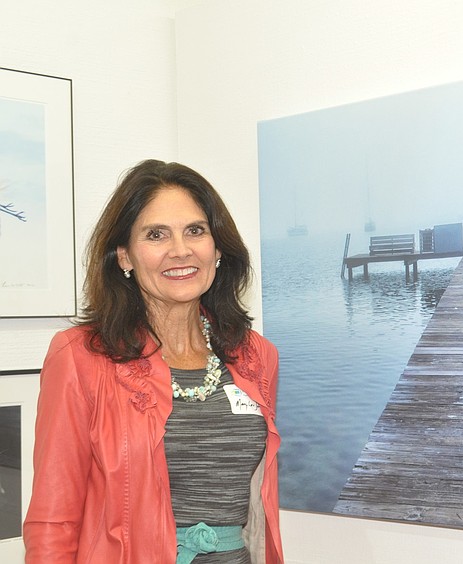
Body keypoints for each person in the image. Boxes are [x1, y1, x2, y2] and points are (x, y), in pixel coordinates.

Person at [23, 159, 284, 564]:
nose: (180, 250)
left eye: (195, 231)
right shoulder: (79, 357)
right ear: (124, 255)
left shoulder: (256, 355)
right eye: (156, 234)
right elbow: (53, 521)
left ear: (218, 248)